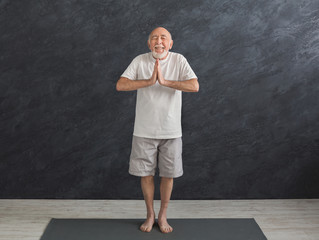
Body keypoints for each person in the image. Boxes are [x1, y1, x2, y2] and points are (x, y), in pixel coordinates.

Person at [116, 27, 199, 234]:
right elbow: (121, 84)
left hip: (171, 131)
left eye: (164, 38)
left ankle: (162, 215)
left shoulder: (179, 60)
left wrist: (165, 82)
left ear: (171, 43)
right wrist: (149, 81)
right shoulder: (140, 60)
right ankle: (150, 214)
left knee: (168, 176)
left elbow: (194, 86)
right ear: (148, 43)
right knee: (145, 175)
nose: (159, 41)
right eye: (154, 38)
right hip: (144, 130)